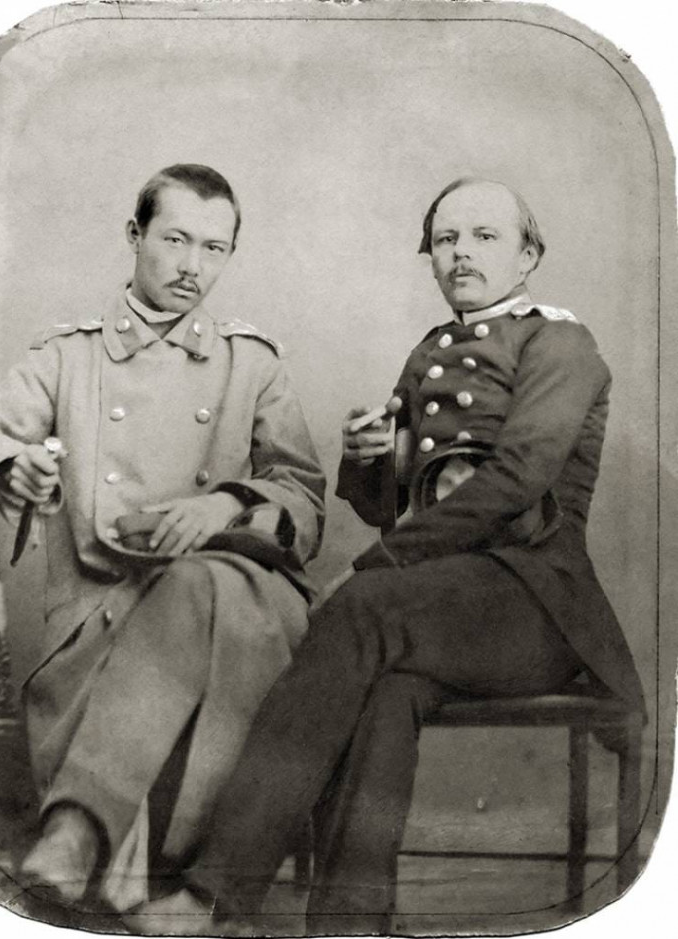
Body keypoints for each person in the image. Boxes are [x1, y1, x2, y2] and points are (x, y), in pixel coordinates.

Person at [120, 177, 645, 936]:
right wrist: (367, 456)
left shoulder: (561, 344)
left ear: (528, 256)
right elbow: (381, 504)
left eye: (485, 237)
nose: (461, 253)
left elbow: (516, 479)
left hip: (535, 606)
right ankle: (351, 918)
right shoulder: (431, 352)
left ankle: (215, 893)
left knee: (360, 609)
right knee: (387, 689)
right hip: (439, 607)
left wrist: (378, 567)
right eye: (446, 239)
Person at [0, 164, 325, 912]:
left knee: (202, 576)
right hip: (102, 617)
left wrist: (226, 505)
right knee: (187, 586)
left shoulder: (252, 363)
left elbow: (304, 498)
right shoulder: (69, 357)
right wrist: (11, 461)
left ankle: (76, 830)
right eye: (175, 240)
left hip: (243, 609)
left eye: (214, 248)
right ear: (135, 235)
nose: (191, 266)